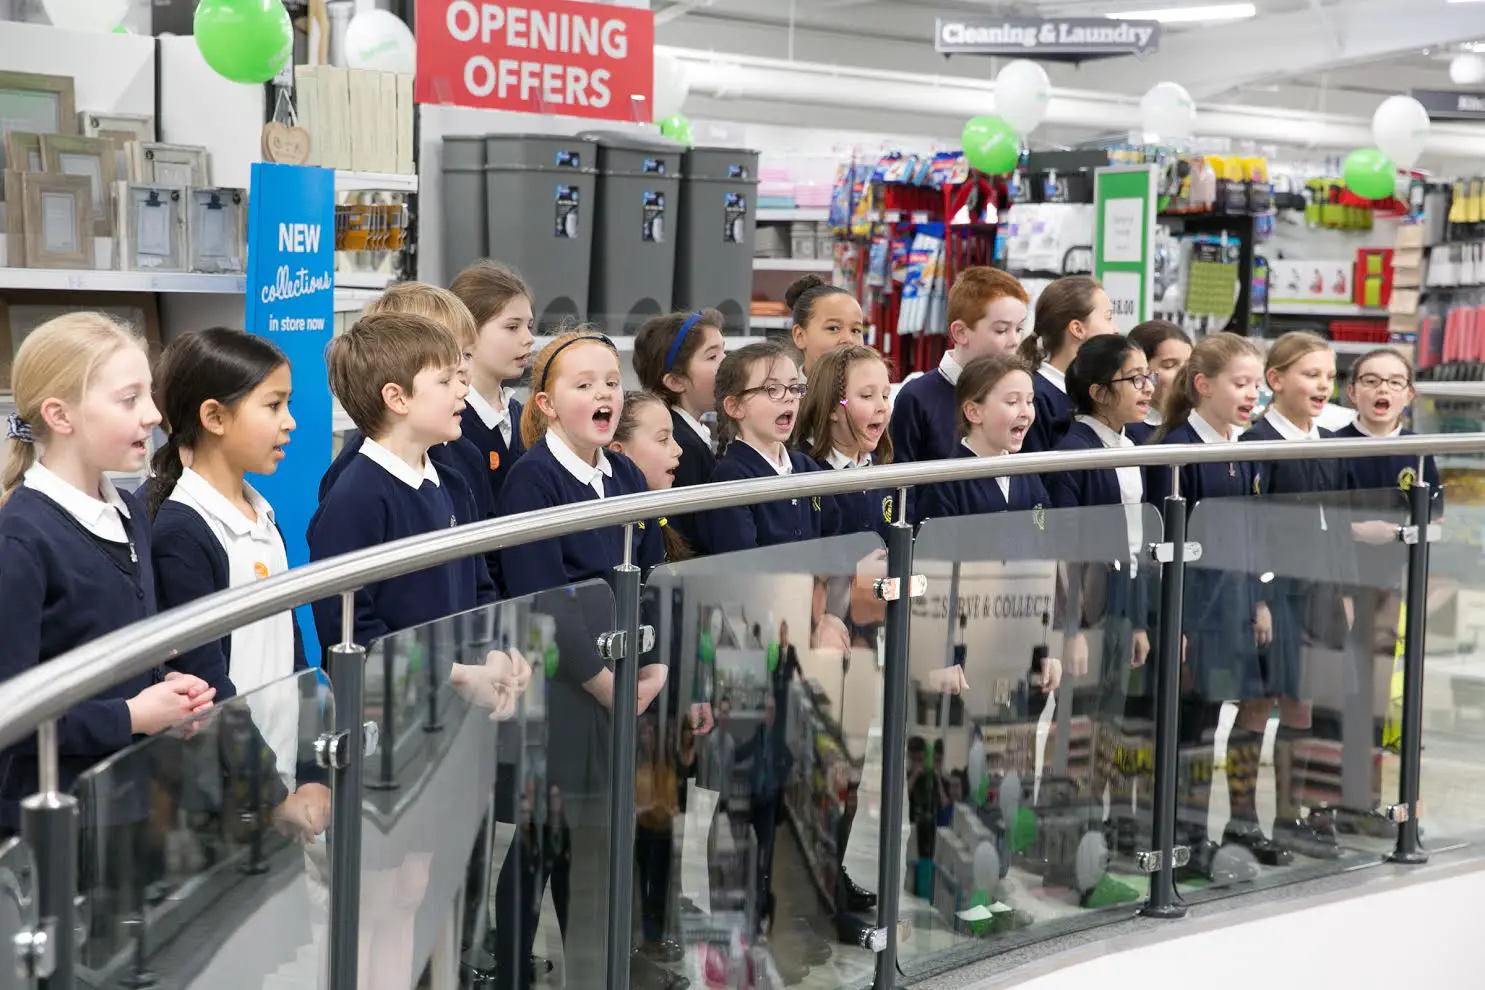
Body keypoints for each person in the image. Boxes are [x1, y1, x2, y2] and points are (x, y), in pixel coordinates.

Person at [492, 329, 665, 990]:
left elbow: (650, 572)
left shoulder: (621, 472)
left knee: (600, 837)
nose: (603, 394)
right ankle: (510, 966)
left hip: (624, 685)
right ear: (543, 403)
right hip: (564, 693)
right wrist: (599, 683)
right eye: (582, 383)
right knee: (543, 839)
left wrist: (657, 665)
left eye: (611, 383)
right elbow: (540, 596)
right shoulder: (532, 480)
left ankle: (600, 966)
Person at [0, 312, 215, 831]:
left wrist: (167, 687)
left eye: (149, 394)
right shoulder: (20, 541)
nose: (152, 415)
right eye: (129, 399)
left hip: (125, 801)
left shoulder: (129, 511)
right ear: (60, 415)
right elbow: (10, 712)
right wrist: (132, 716)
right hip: (49, 825)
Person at [146, 327, 330, 834]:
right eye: (273, 406)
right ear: (214, 417)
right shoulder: (182, 531)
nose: (290, 422)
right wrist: (271, 795)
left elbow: (295, 654)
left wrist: (313, 771)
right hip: (230, 803)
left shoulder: (262, 515)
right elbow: (209, 685)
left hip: (282, 783)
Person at [1150, 332, 1287, 873]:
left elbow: (1250, 536)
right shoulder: (1175, 452)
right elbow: (1162, 546)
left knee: (1221, 720)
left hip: (1234, 605)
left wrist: (1259, 600)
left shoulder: (1241, 451)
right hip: (1193, 610)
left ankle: (1213, 829)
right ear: (1203, 385)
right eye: (1241, 383)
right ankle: (1181, 839)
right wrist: (1174, 619)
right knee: (1192, 728)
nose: (1252, 393)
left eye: (1256, 383)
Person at [307, 311, 497, 649]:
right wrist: (452, 673)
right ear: (397, 398)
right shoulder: (355, 499)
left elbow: (480, 588)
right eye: (444, 381)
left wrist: (492, 653)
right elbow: (349, 627)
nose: (462, 390)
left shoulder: (454, 485)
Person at [1240, 331, 1350, 859]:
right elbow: (1251, 528)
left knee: (1303, 703)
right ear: (1275, 379)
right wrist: (1258, 597)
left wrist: (1343, 588)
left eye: (1329, 376)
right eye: (1311, 374)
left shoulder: (1327, 443)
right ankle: (1242, 820)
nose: (1323, 385)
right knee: (1260, 702)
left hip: (1318, 591)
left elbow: (1338, 522)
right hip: (1274, 592)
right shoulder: (1258, 442)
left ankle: (1291, 815)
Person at [316, 282, 494, 531]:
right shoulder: (356, 480)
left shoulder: (466, 455)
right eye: (445, 363)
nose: (461, 367)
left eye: (466, 355)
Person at [695, 340, 837, 554]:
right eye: (773, 389)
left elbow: (835, 537)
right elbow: (743, 563)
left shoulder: (806, 466)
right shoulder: (731, 477)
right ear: (735, 406)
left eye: (794, 387)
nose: (789, 397)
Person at [892, 266, 1029, 463]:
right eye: (1001, 330)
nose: (1015, 340)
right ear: (961, 333)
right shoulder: (917, 398)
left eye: (1019, 328)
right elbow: (900, 484)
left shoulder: (1023, 396)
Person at [913, 353, 1050, 524]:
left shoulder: (1027, 475)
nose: (1025, 413)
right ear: (973, 412)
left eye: (1029, 401)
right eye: (1012, 401)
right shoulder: (946, 484)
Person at [633, 309, 727, 541]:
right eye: (712, 356)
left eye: (724, 351)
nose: (727, 363)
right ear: (676, 381)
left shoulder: (692, 435)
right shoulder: (683, 447)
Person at [449, 259, 535, 509]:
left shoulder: (523, 415)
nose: (528, 339)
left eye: (529, 326)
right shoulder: (448, 421)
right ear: (467, 330)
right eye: (512, 327)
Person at [792, 344, 898, 536]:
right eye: (867, 395)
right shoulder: (801, 471)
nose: (882, 406)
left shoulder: (882, 467)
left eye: (885, 396)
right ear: (833, 407)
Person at [1017, 275, 1121, 453]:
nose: (1116, 329)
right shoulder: (1036, 396)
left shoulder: (1092, 394)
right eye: (1108, 317)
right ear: (1078, 329)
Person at [1337, 347, 1441, 507]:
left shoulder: (1419, 448)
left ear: (1409, 396)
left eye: (1395, 382)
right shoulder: (1332, 446)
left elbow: (1433, 512)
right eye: (1371, 381)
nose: (1383, 389)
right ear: (1352, 393)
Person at [735, 693, 793, 936]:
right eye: (765, 711)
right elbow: (743, 753)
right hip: (755, 800)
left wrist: (778, 780)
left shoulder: (776, 738)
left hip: (769, 802)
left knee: (765, 858)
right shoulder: (757, 734)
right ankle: (750, 904)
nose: (767, 715)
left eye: (770, 711)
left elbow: (789, 759)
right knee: (750, 853)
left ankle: (761, 910)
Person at [609, 390, 690, 563]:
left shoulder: (658, 515)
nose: (678, 450)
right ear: (619, 453)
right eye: (663, 439)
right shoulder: (617, 527)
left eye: (672, 437)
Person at [634, 715, 681, 962]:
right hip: (645, 831)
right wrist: (647, 809)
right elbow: (635, 804)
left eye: (650, 734)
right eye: (643, 734)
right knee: (644, 884)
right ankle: (646, 935)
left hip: (662, 832)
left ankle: (656, 936)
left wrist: (663, 808)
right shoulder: (638, 768)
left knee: (659, 886)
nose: (647, 738)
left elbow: (670, 803)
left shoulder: (666, 768)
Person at [785, 273, 866, 379]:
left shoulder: (879, 392)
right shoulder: (784, 394)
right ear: (799, 336)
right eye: (833, 328)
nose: (848, 339)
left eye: (855, 330)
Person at [1127, 319, 1192, 444]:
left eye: (1190, 365)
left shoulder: (1199, 422)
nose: (1185, 374)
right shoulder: (1128, 432)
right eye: (1169, 365)